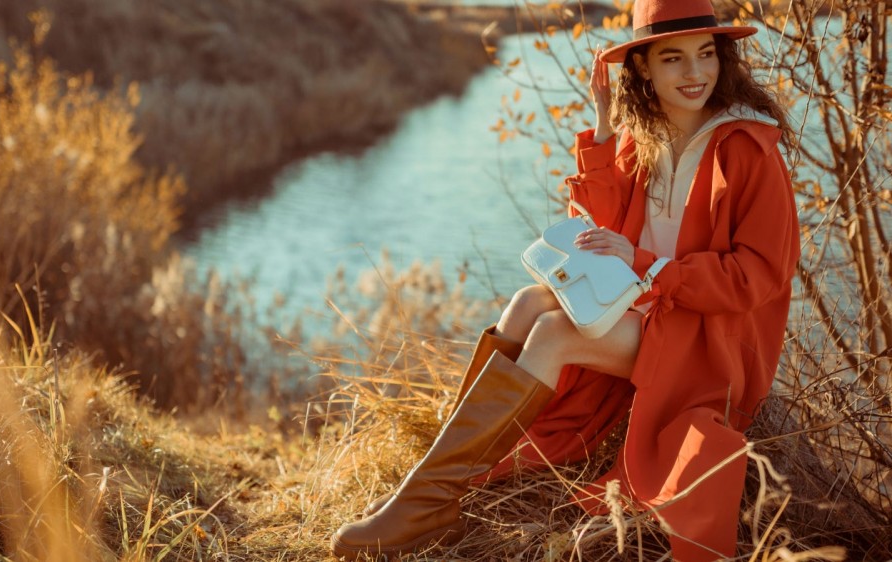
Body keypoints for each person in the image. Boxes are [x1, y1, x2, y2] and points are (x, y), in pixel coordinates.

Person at [331, 0, 799, 559]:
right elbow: (598, 232)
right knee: (530, 301)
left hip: (707, 338)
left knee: (554, 333)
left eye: (706, 55)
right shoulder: (644, 138)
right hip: (646, 306)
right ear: (643, 68)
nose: (695, 73)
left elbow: (760, 276)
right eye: (673, 59)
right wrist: (603, 129)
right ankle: (440, 482)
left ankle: (429, 499)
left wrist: (648, 266)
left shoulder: (748, 150)